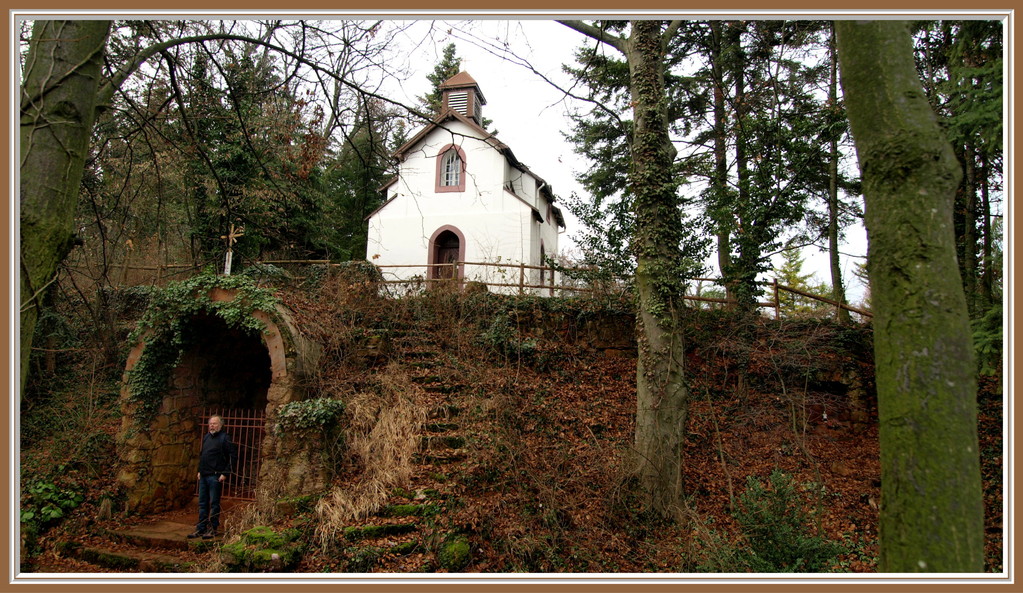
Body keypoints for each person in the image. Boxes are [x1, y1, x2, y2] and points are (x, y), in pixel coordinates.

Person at [187, 415, 237, 540]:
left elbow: (232, 456)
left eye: (214, 423)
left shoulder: (225, 438)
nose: (212, 426)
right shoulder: (206, 437)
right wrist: (199, 470)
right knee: (202, 503)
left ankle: (213, 528)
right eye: (210, 424)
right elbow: (202, 454)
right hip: (204, 474)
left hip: (216, 475)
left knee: (214, 503)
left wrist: (225, 473)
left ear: (220, 425)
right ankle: (201, 527)